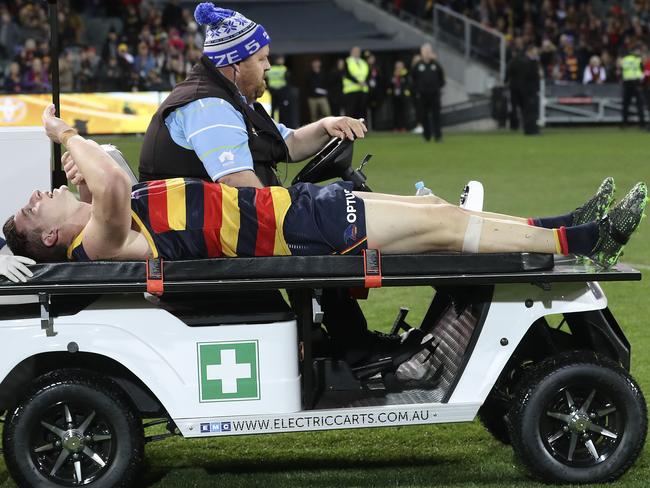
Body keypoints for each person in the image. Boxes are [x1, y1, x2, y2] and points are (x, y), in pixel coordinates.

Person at [4, 105, 648, 276]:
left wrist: (82, 163)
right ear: (54, 237)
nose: (40, 196)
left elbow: (110, 166)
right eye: (34, 211)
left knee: (435, 210)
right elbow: (113, 174)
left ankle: (560, 223)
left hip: (295, 214)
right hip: (303, 233)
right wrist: (64, 134)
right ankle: (582, 240)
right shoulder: (100, 241)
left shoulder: (102, 218)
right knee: (447, 228)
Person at [137, 3, 376, 366]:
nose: (268, 67)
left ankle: (344, 346)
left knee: (323, 230)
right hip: (202, 243)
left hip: (212, 233)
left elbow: (288, 143)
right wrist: (302, 212)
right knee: (328, 235)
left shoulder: (230, 99)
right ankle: (354, 350)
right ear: (235, 64)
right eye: (262, 60)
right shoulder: (208, 107)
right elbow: (240, 186)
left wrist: (326, 124)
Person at [412, 43, 445, 142]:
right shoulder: (418, 65)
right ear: (421, 53)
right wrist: (417, 90)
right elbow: (413, 79)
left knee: (436, 115)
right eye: (425, 51)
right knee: (424, 116)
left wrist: (437, 88)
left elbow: (441, 78)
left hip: (434, 95)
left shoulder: (436, 65)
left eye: (428, 51)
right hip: (422, 95)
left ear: (431, 52)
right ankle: (427, 136)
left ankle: (438, 136)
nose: (426, 53)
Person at [620, 47, 646, 128]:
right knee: (640, 105)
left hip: (627, 83)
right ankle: (642, 123)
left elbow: (621, 70)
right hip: (637, 83)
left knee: (625, 104)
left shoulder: (624, 59)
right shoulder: (638, 59)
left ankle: (625, 123)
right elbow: (642, 71)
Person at [343, 46, 369, 119]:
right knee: (350, 111)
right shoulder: (347, 61)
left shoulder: (363, 62)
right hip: (351, 90)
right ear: (351, 52)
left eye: (358, 51)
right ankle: (349, 129)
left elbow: (367, 74)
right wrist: (358, 82)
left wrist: (365, 82)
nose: (357, 53)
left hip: (363, 89)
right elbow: (347, 74)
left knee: (361, 111)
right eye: (355, 51)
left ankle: (361, 128)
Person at [266, 54, 290, 124]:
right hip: (281, 91)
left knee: (273, 109)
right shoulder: (284, 69)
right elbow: (287, 81)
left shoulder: (270, 69)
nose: (282, 60)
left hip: (272, 91)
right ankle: (281, 124)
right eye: (281, 59)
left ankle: (273, 124)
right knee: (282, 109)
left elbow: (266, 79)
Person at [306, 58, 331, 122]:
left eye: (317, 62)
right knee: (313, 115)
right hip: (312, 98)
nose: (316, 64)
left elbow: (327, 83)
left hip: (322, 97)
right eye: (314, 63)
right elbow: (308, 85)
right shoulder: (309, 74)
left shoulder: (323, 73)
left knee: (327, 112)